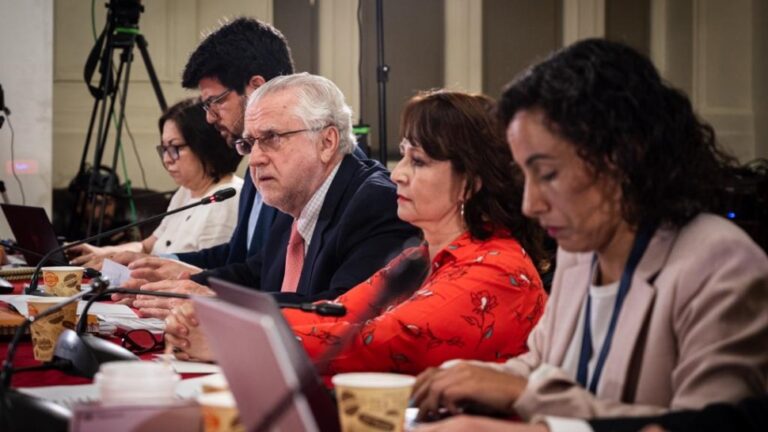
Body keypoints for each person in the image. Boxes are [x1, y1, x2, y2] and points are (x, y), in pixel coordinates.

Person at [410, 39, 768, 431]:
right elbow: (541, 365)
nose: (530, 204)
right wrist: (468, 377)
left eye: (547, 173)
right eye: (524, 176)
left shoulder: (721, 263)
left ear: (622, 155)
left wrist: (521, 396)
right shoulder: (581, 252)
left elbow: (705, 427)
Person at [166, 91, 549, 371]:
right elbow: (337, 314)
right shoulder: (420, 258)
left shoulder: (497, 271)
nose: (397, 174)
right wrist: (218, 319)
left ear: (471, 181)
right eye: (403, 157)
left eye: (418, 161)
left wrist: (231, 337)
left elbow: (373, 341)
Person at [127, 72, 419, 321]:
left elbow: (338, 311)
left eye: (271, 139)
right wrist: (182, 283)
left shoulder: (375, 203)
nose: (254, 159)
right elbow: (257, 273)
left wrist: (220, 303)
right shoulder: (293, 195)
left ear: (327, 142)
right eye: (250, 143)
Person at [91, 17, 293, 281]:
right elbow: (235, 256)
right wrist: (156, 263)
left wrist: (197, 282)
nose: (209, 118)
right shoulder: (256, 168)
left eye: (215, 102)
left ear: (256, 87)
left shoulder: (295, 171)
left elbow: (268, 275)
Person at [69, 98, 243, 263]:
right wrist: (101, 252)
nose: (167, 159)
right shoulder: (186, 191)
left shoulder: (227, 199)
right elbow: (146, 246)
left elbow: (207, 271)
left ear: (204, 145)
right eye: (164, 149)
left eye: (175, 148)